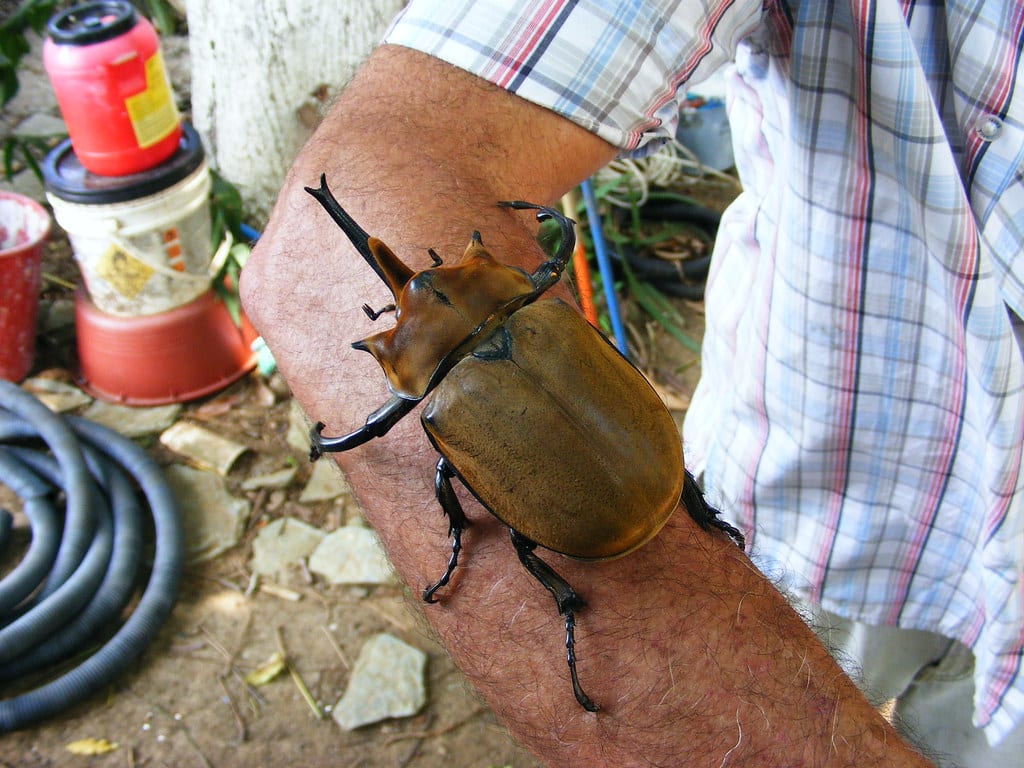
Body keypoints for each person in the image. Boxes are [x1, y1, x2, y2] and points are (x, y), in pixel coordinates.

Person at [240, 1, 1023, 765]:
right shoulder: (540, 312)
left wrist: (340, 441)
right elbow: (363, 211)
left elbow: (394, 427)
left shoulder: (464, 376)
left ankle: (558, 594)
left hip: (721, 490)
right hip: (787, 513)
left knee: (477, 498)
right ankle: (570, 596)